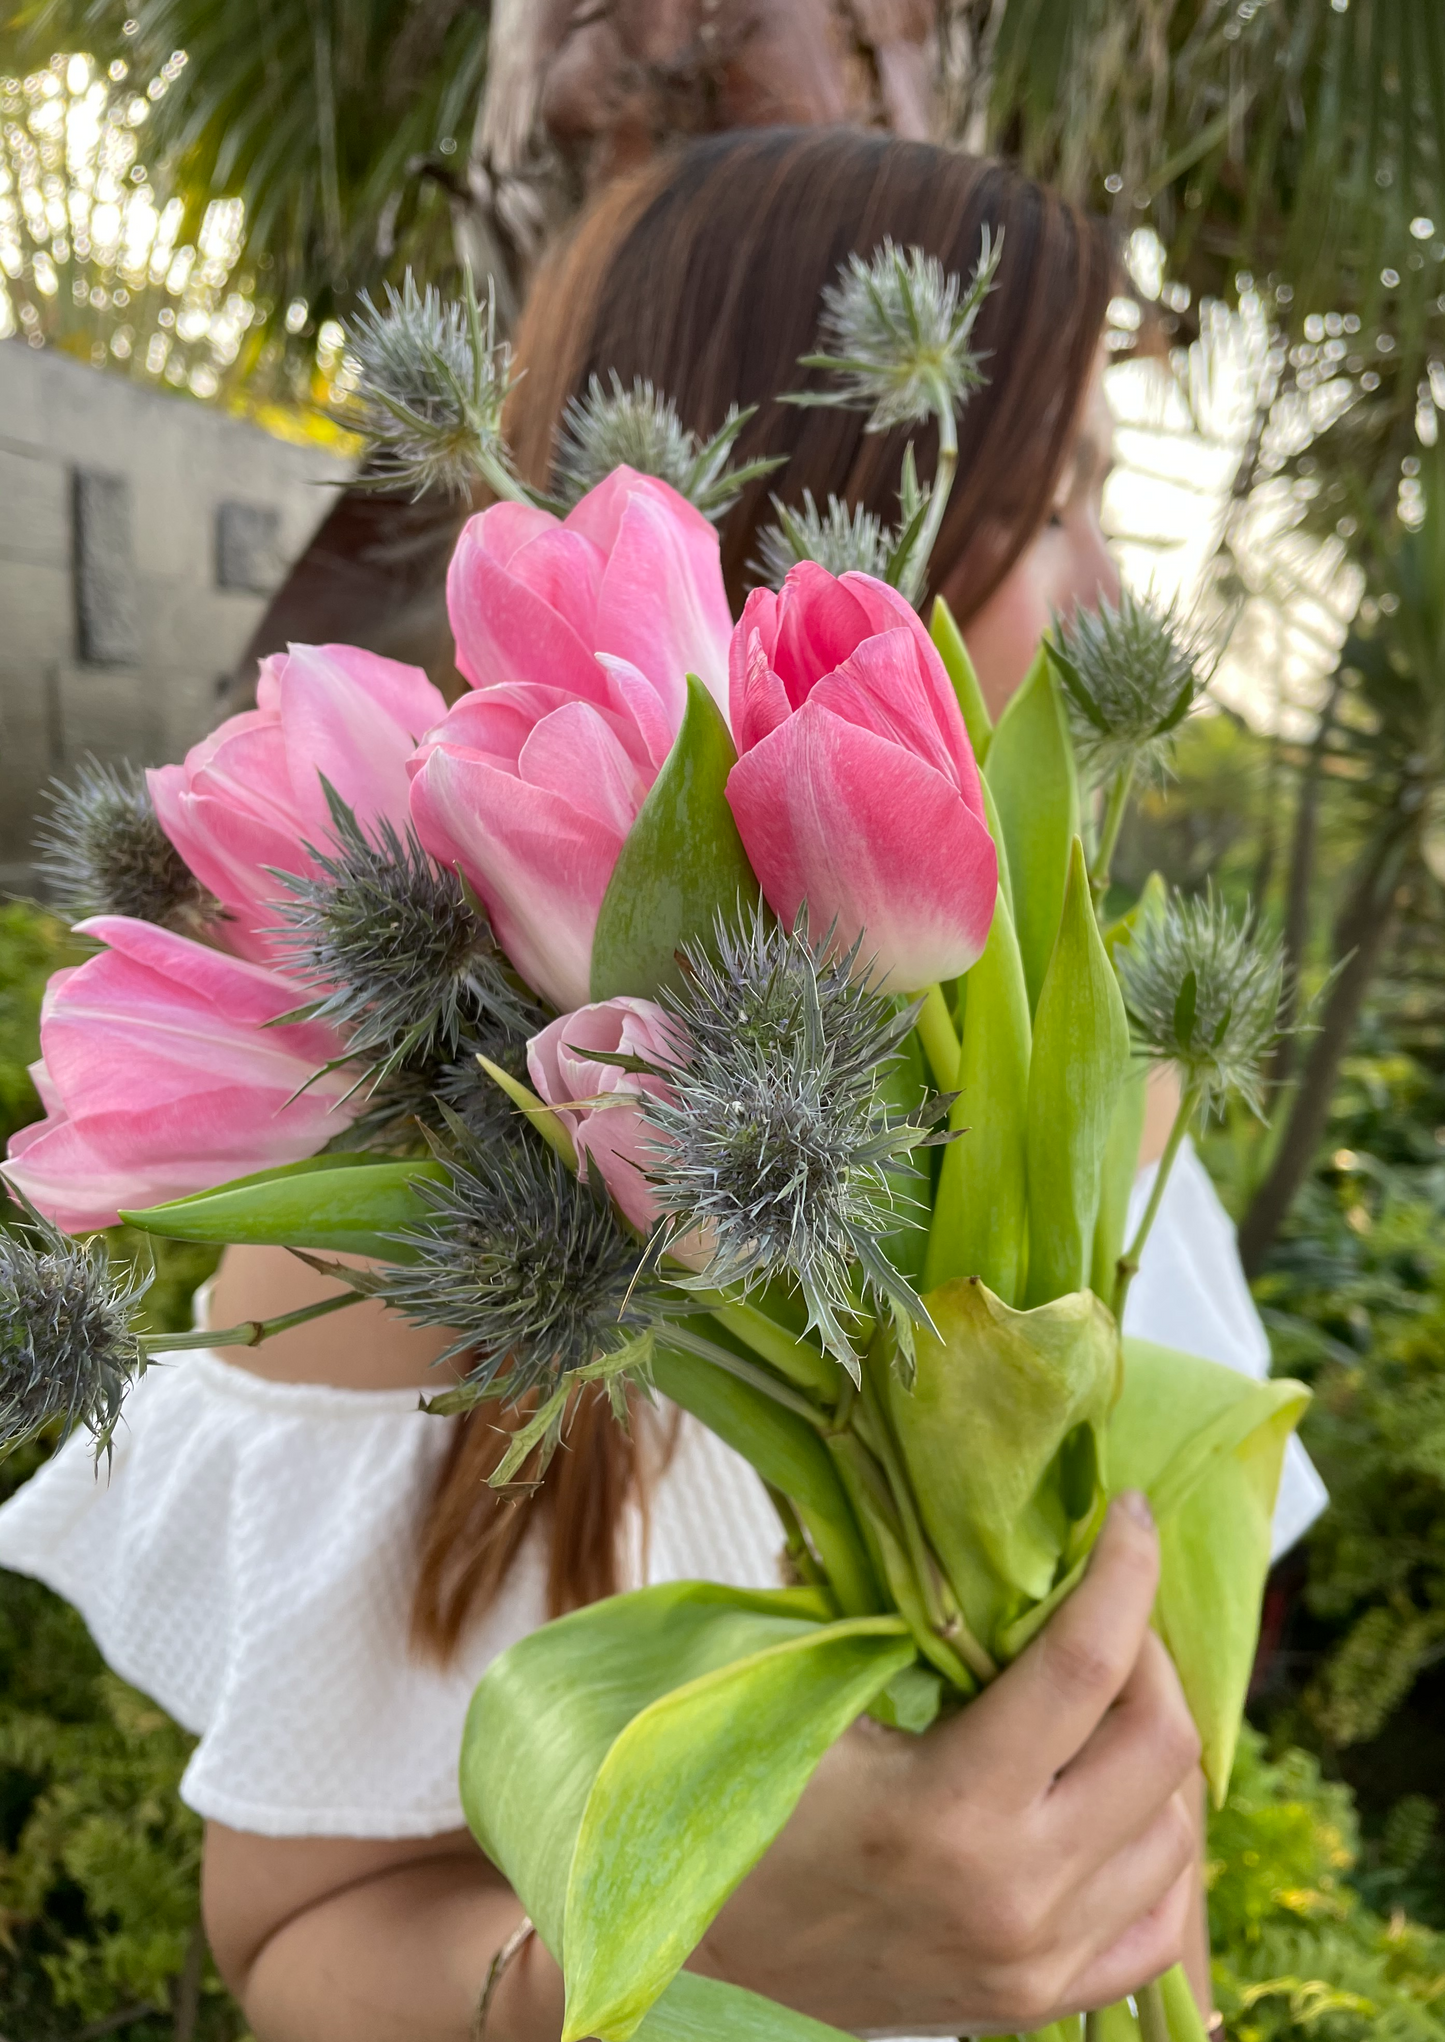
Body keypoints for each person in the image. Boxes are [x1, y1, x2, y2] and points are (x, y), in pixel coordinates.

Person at [0, 128, 1322, 2042]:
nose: (1116, 583)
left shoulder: (1101, 1112)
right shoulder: (435, 1232)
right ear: (870, 514)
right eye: (1066, 498)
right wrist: (695, 1944)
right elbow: (292, 1942)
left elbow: (1149, 1805)